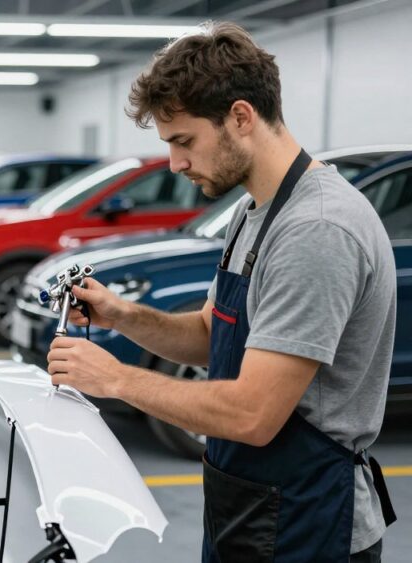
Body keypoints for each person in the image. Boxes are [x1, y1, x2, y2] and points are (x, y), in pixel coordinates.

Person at [47, 22, 396, 562]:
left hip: (311, 524)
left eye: (184, 141)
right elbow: (214, 331)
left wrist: (114, 378)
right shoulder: (253, 209)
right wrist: (123, 316)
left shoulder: (317, 229)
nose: (175, 163)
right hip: (249, 506)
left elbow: (252, 415)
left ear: (240, 117)